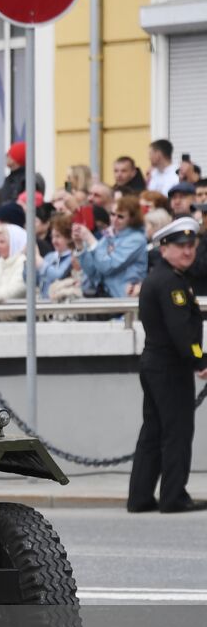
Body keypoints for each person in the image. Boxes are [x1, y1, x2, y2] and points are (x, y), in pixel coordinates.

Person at [128, 217, 207, 513]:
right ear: (164, 249)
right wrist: (200, 359)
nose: (188, 251)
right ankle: (174, 497)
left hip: (155, 364)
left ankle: (140, 498)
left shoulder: (162, 277)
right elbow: (181, 331)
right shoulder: (171, 282)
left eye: (191, 245)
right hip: (170, 367)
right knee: (177, 432)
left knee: (153, 432)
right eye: (180, 246)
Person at [76, 196, 147, 298]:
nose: (115, 219)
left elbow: (107, 266)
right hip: (102, 295)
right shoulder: (109, 234)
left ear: (132, 219)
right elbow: (93, 272)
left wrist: (91, 240)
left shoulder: (136, 239)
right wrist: (80, 246)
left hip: (123, 298)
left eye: (120, 217)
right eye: (112, 214)